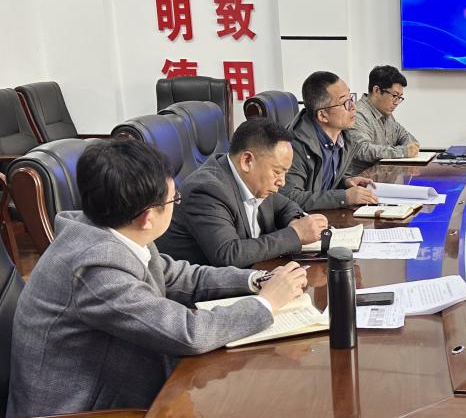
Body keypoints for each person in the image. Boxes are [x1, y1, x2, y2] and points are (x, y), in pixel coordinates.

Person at [6, 139, 308, 417]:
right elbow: (187, 333)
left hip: (119, 381)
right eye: (174, 200)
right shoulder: (96, 266)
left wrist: (256, 280)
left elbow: (179, 276)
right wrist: (266, 303)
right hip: (80, 410)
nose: (176, 205)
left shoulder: (116, 225)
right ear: (147, 217)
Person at [156, 118, 329, 267]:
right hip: (205, 291)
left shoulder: (257, 181)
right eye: (277, 172)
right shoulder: (206, 190)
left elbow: (285, 205)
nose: (282, 182)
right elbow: (228, 255)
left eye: (285, 172)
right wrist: (295, 234)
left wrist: (296, 220)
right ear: (247, 161)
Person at [281, 71, 378, 210]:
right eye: (345, 102)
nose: (353, 107)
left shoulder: (344, 138)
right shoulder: (294, 146)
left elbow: (321, 183)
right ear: (323, 115)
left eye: (351, 98)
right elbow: (289, 197)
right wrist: (344, 197)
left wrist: (345, 182)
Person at [349, 65, 420, 175]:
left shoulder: (386, 113)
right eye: (394, 96)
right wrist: (403, 151)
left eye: (400, 97)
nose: (396, 102)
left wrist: (410, 147)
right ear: (376, 90)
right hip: (361, 181)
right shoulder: (358, 114)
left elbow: (405, 135)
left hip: (383, 179)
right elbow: (363, 149)